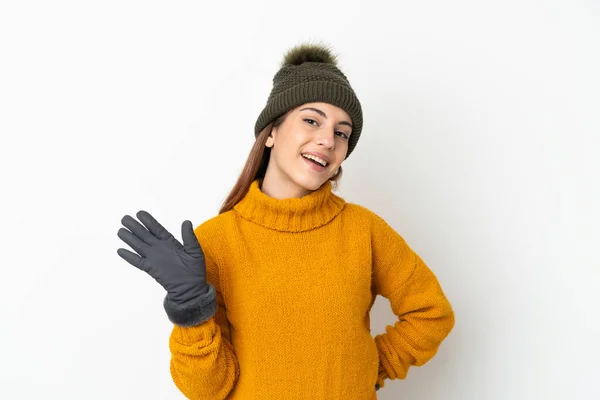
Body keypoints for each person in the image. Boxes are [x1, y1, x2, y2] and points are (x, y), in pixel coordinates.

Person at [117, 42, 455, 399]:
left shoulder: (363, 231)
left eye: (342, 132)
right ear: (272, 132)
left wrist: (369, 367)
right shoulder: (216, 242)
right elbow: (207, 390)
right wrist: (190, 309)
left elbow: (431, 313)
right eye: (311, 120)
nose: (327, 140)